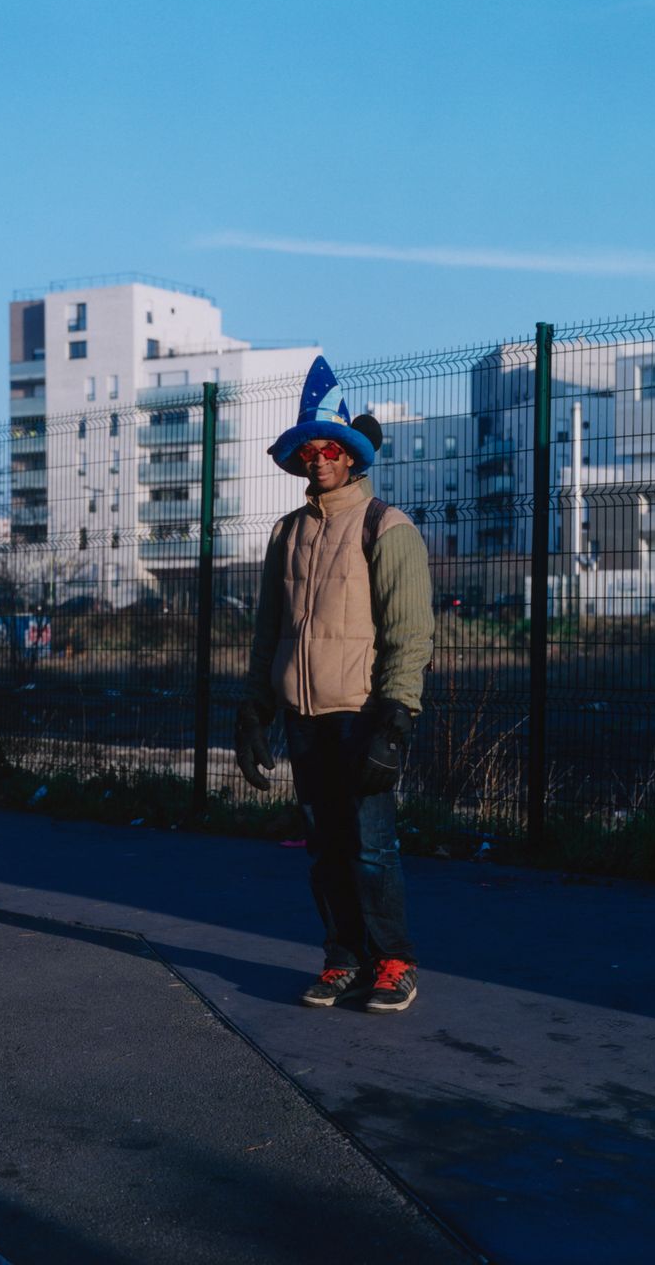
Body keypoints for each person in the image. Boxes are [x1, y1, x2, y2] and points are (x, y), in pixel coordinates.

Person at [236, 356, 434, 1014]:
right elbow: (269, 631)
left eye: (331, 449)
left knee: (372, 848)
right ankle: (345, 959)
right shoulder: (286, 534)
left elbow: (410, 634)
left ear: (351, 457)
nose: (319, 459)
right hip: (303, 715)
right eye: (308, 449)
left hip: (361, 715)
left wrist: (396, 720)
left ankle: (394, 963)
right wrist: (254, 709)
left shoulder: (387, 527)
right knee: (325, 849)